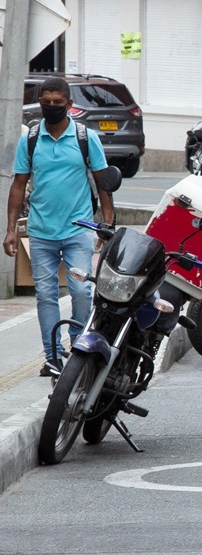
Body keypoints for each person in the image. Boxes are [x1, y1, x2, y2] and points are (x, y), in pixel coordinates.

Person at [3, 77, 117, 375]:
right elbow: (18, 185)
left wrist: (107, 221)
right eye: (46, 103)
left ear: (69, 105)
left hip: (78, 229)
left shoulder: (85, 137)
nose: (51, 108)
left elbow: (103, 180)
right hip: (41, 232)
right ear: (40, 102)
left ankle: (79, 346)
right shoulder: (31, 139)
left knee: (80, 291)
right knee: (46, 294)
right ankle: (52, 356)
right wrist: (11, 228)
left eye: (57, 103)